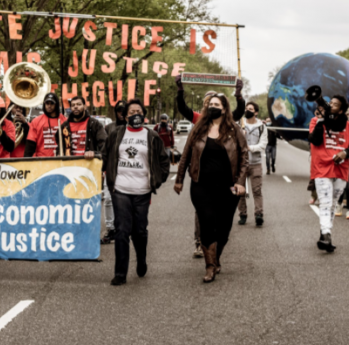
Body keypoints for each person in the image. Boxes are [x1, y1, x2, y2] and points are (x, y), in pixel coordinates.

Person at [174, 93, 248, 282]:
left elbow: (244, 156)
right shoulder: (198, 129)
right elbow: (186, 154)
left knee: (223, 228)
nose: (212, 107)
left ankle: (216, 259)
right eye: (210, 104)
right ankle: (210, 266)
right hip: (201, 185)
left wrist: (240, 182)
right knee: (207, 223)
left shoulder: (234, 129)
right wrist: (179, 179)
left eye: (217, 104)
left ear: (224, 109)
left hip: (228, 187)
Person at [102, 99, 170, 286]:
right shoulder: (116, 134)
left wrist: (158, 179)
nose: (135, 114)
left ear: (144, 114)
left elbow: (164, 161)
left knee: (139, 232)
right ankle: (120, 273)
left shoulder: (152, 136)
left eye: (138, 111)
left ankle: (141, 260)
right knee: (122, 230)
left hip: (142, 191)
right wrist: (106, 174)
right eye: (131, 111)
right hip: (120, 189)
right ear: (125, 115)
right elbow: (105, 155)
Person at [308, 95, 349, 253]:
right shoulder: (315, 121)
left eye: (335, 104)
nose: (331, 105)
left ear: (342, 110)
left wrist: (345, 153)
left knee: (333, 202)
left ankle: (325, 235)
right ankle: (326, 235)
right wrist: (321, 120)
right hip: (322, 168)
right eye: (330, 103)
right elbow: (314, 140)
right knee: (325, 203)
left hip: (341, 170)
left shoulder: (348, 126)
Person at [100, 100, 127, 245]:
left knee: (126, 201)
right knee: (109, 199)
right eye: (119, 110)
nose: (121, 113)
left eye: (124, 110)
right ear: (116, 112)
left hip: (128, 170)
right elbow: (104, 149)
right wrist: (102, 168)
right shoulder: (109, 127)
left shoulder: (132, 127)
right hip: (111, 169)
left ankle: (124, 227)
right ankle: (110, 229)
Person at [238, 101, 267, 227]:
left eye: (250, 109)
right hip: (241, 164)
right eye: (246, 108)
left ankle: (259, 215)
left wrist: (250, 148)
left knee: (257, 190)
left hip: (255, 163)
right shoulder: (239, 125)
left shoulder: (261, 127)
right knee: (240, 191)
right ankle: (242, 215)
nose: (247, 110)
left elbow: (263, 145)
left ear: (256, 112)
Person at [24, 93, 66, 157]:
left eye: (52, 103)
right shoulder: (36, 121)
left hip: (60, 159)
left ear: (56, 104)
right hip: (41, 160)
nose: (49, 105)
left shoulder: (64, 120)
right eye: (47, 103)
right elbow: (30, 143)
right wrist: (26, 162)